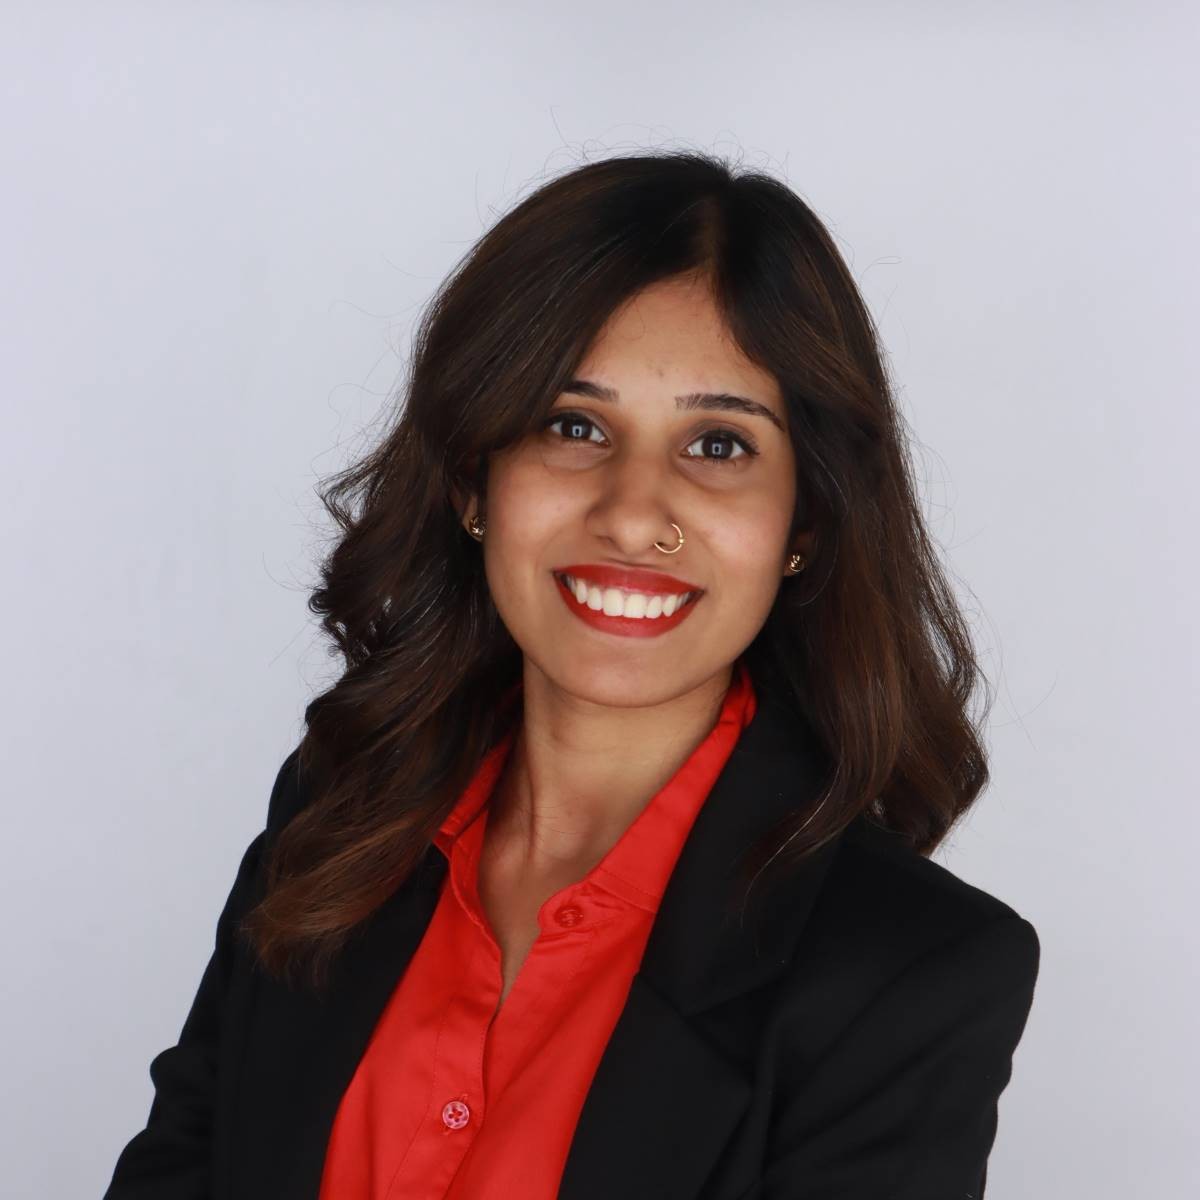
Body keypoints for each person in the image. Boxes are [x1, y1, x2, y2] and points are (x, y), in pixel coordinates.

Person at [103, 151, 1040, 1199]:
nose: (634, 512)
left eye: (720, 444)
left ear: (805, 522)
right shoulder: (336, 815)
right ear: (474, 477)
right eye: (574, 425)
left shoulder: (909, 975)